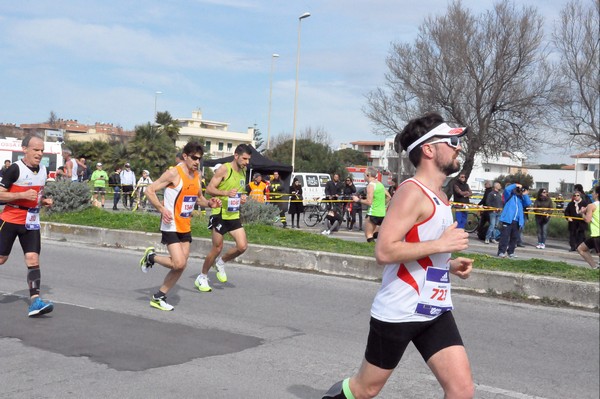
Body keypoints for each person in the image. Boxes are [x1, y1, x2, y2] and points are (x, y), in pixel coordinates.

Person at [323, 112, 474, 399]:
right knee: (365, 389)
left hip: (434, 308)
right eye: (452, 141)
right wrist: (441, 245)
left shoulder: (441, 196)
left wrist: (450, 264)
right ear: (428, 149)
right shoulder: (411, 192)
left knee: (462, 390)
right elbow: (384, 250)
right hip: (399, 311)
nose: (459, 147)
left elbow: (423, 246)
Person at [139, 141, 221, 311]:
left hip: (185, 225)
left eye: (199, 159)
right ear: (185, 156)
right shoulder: (173, 173)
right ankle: (151, 257)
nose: (197, 162)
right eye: (194, 158)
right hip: (171, 225)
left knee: (181, 265)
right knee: (178, 263)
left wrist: (210, 203)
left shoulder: (197, 175)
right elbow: (149, 190)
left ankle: (159, 296)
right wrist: (162, 209)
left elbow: (198, 199)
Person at [0, 134, 55, 317]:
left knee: (33, 259)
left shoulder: (43, 170)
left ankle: (35, 302)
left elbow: (37, 193)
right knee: (1, 259)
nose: (39, 153)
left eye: (41, 150)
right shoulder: (15, 169)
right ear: (24, 149)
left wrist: (43, 201)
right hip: (10, 219)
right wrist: (21, 196)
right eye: (35, 150)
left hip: (31, 222)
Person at [195, 144, 251, 292]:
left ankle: (221, 262)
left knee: (242, 246)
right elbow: (209, 189)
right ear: (236, 156)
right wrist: (226, 194)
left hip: (233, 214)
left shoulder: (244, 172)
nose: (247, 162)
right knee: (217, 247)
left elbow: (238, 192)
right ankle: (202, 276)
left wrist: (242, 198)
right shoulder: (225, 169)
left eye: (248, 159)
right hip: (219, 213)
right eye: (244, 158)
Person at [352, 167, 391, 242]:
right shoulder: (380, 184)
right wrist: (382, 205)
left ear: (368, 175)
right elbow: (389, 197)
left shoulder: (370, 186)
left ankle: (373, 249)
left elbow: (369, 202)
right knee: (373, 233)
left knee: (368, 234)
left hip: (372, 213)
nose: (363, 176)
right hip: (382, 213)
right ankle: (379, 238)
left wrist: (358, 200)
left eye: (364, 174)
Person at [497, 183, 532, 258]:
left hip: (517, 221)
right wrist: (516, 185)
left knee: (514, 238)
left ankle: (511, 252)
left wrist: (525, 194)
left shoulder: (521, 199)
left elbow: (528, 203)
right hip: (508, 220)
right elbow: (506, 189)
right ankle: (501, 252)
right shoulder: (509, 196)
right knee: (505, 237)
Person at [577, 185, 599, 269]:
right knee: (581, 249)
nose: (592, 194)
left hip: (597, 234)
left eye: (593, 192)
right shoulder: (592, 206)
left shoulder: (591, 205)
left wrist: (582, 213)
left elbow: (587, 220)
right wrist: (584, 210)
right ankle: (594, 268)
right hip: (595, 235)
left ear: (597, 194)